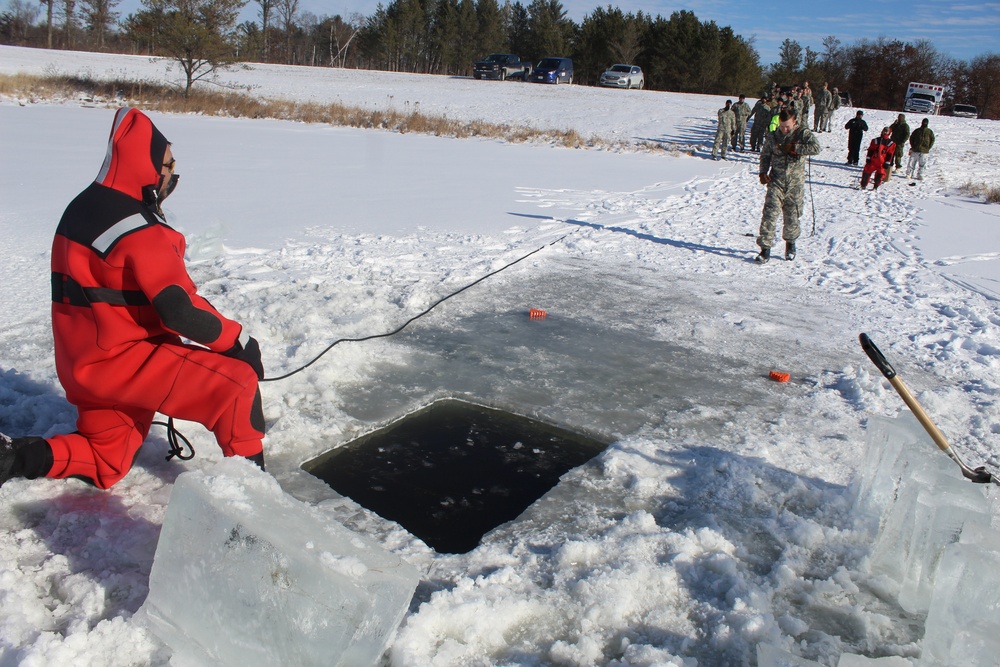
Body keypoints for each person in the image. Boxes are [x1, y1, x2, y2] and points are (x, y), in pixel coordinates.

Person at [0, 107, 266, 490]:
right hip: (124, 362)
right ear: (148, 167)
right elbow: (180, 310)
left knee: (105, 459)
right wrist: (239, 343)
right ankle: (258, 504)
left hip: (83, 365)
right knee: (236, 387)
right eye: (169, 164)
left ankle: (12, 457)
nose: (173, 173)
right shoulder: (141, 230)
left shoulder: (84, 207)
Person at [755, 108, 822, 264]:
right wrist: (763, 172)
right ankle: (765, 249)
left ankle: (790, 245)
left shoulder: (802, 134)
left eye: (787, 126)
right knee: (769, 214)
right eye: (782, 126)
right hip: (776, 181)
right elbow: (765, 155)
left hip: (795, 184)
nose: (784, 129)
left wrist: (794, 148)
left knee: (792, 216)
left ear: (795, 122)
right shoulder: (773, 136)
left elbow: (816, 148)